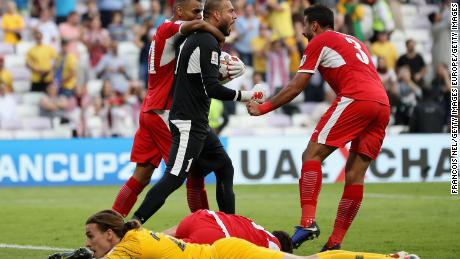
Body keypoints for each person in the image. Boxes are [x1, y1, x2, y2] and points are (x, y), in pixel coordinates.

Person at [247, 5, 390, 251]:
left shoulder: (321, 40)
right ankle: (334, 243)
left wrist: (264, 108)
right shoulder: (353, 40)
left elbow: (296, 86)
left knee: (311, 155)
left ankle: (308, 223)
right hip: (382, 103)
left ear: (314, 25)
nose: (302, 31)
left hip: (357, 98)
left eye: (304, 25)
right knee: (355, 175)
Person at [131, 0, 267, 224]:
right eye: (230, 11)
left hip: (197, 122)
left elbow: (197, 79)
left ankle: (229, 227)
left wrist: (220, 72)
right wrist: (247, 95)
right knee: (175, 177)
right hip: (187, 122)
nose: (235, 16)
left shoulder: (198, 40)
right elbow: (210, 87)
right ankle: (134, 222)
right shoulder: (205, 40)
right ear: (214, 16)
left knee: (225, 166)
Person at [62, 210, 418, 259]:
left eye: (90, 236)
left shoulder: (129, 248)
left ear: (111, 235)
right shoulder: (137, 239)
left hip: (229, 254)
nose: (88, 243)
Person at [163, 209, 293, 252]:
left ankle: (147, 238)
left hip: (203, 216)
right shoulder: (274, 246)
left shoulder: (252, 224)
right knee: (169, 252)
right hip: (215, 236)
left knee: (158, 240)